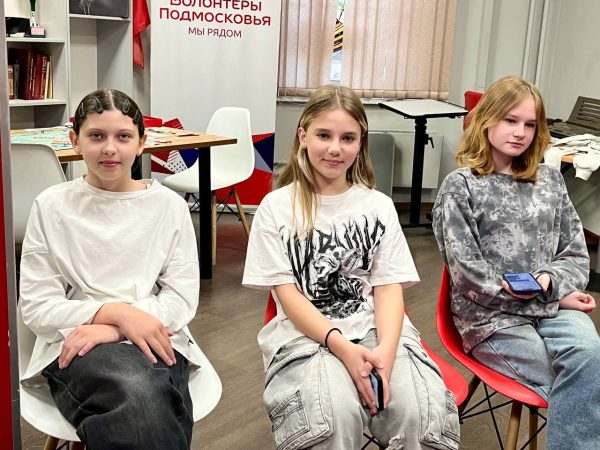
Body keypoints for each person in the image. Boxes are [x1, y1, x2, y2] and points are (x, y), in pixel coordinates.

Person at [243, 85, 460, 450]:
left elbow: (388, 288)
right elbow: (288, 296)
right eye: (323, 135)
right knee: (332, 416)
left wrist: (385, 355)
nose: (335, 148)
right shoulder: (276, 208)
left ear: (361, 143)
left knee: (420, 416)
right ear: (302, 137)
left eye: (347, 138)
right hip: (308, 336)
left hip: (378, 332)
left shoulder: (378, 206)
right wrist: (341, 346)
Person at [19, 89, 203, 450]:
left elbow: (181, 299)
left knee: (147, 396)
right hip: (77, 344)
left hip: (155, 336)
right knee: (141, 396)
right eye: (96, 136)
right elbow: (38, 307)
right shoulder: (51, 206)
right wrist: (116, 313)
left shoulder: (169, 207)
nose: (109, 148)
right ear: (74, 140)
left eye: (123, 137)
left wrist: (115, 328)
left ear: (142, 142)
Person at [432, 75, 600, 450]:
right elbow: (471, 278)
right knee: (581, 381)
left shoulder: (551, 181)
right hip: (491, 320)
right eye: (510, 120)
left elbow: (576, 257)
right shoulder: (461, 186)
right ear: (487, 119)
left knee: (591, 361)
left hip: (552, 309)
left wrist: (549, 285)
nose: (520, 133)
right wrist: (552, 297)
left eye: (530, 124)